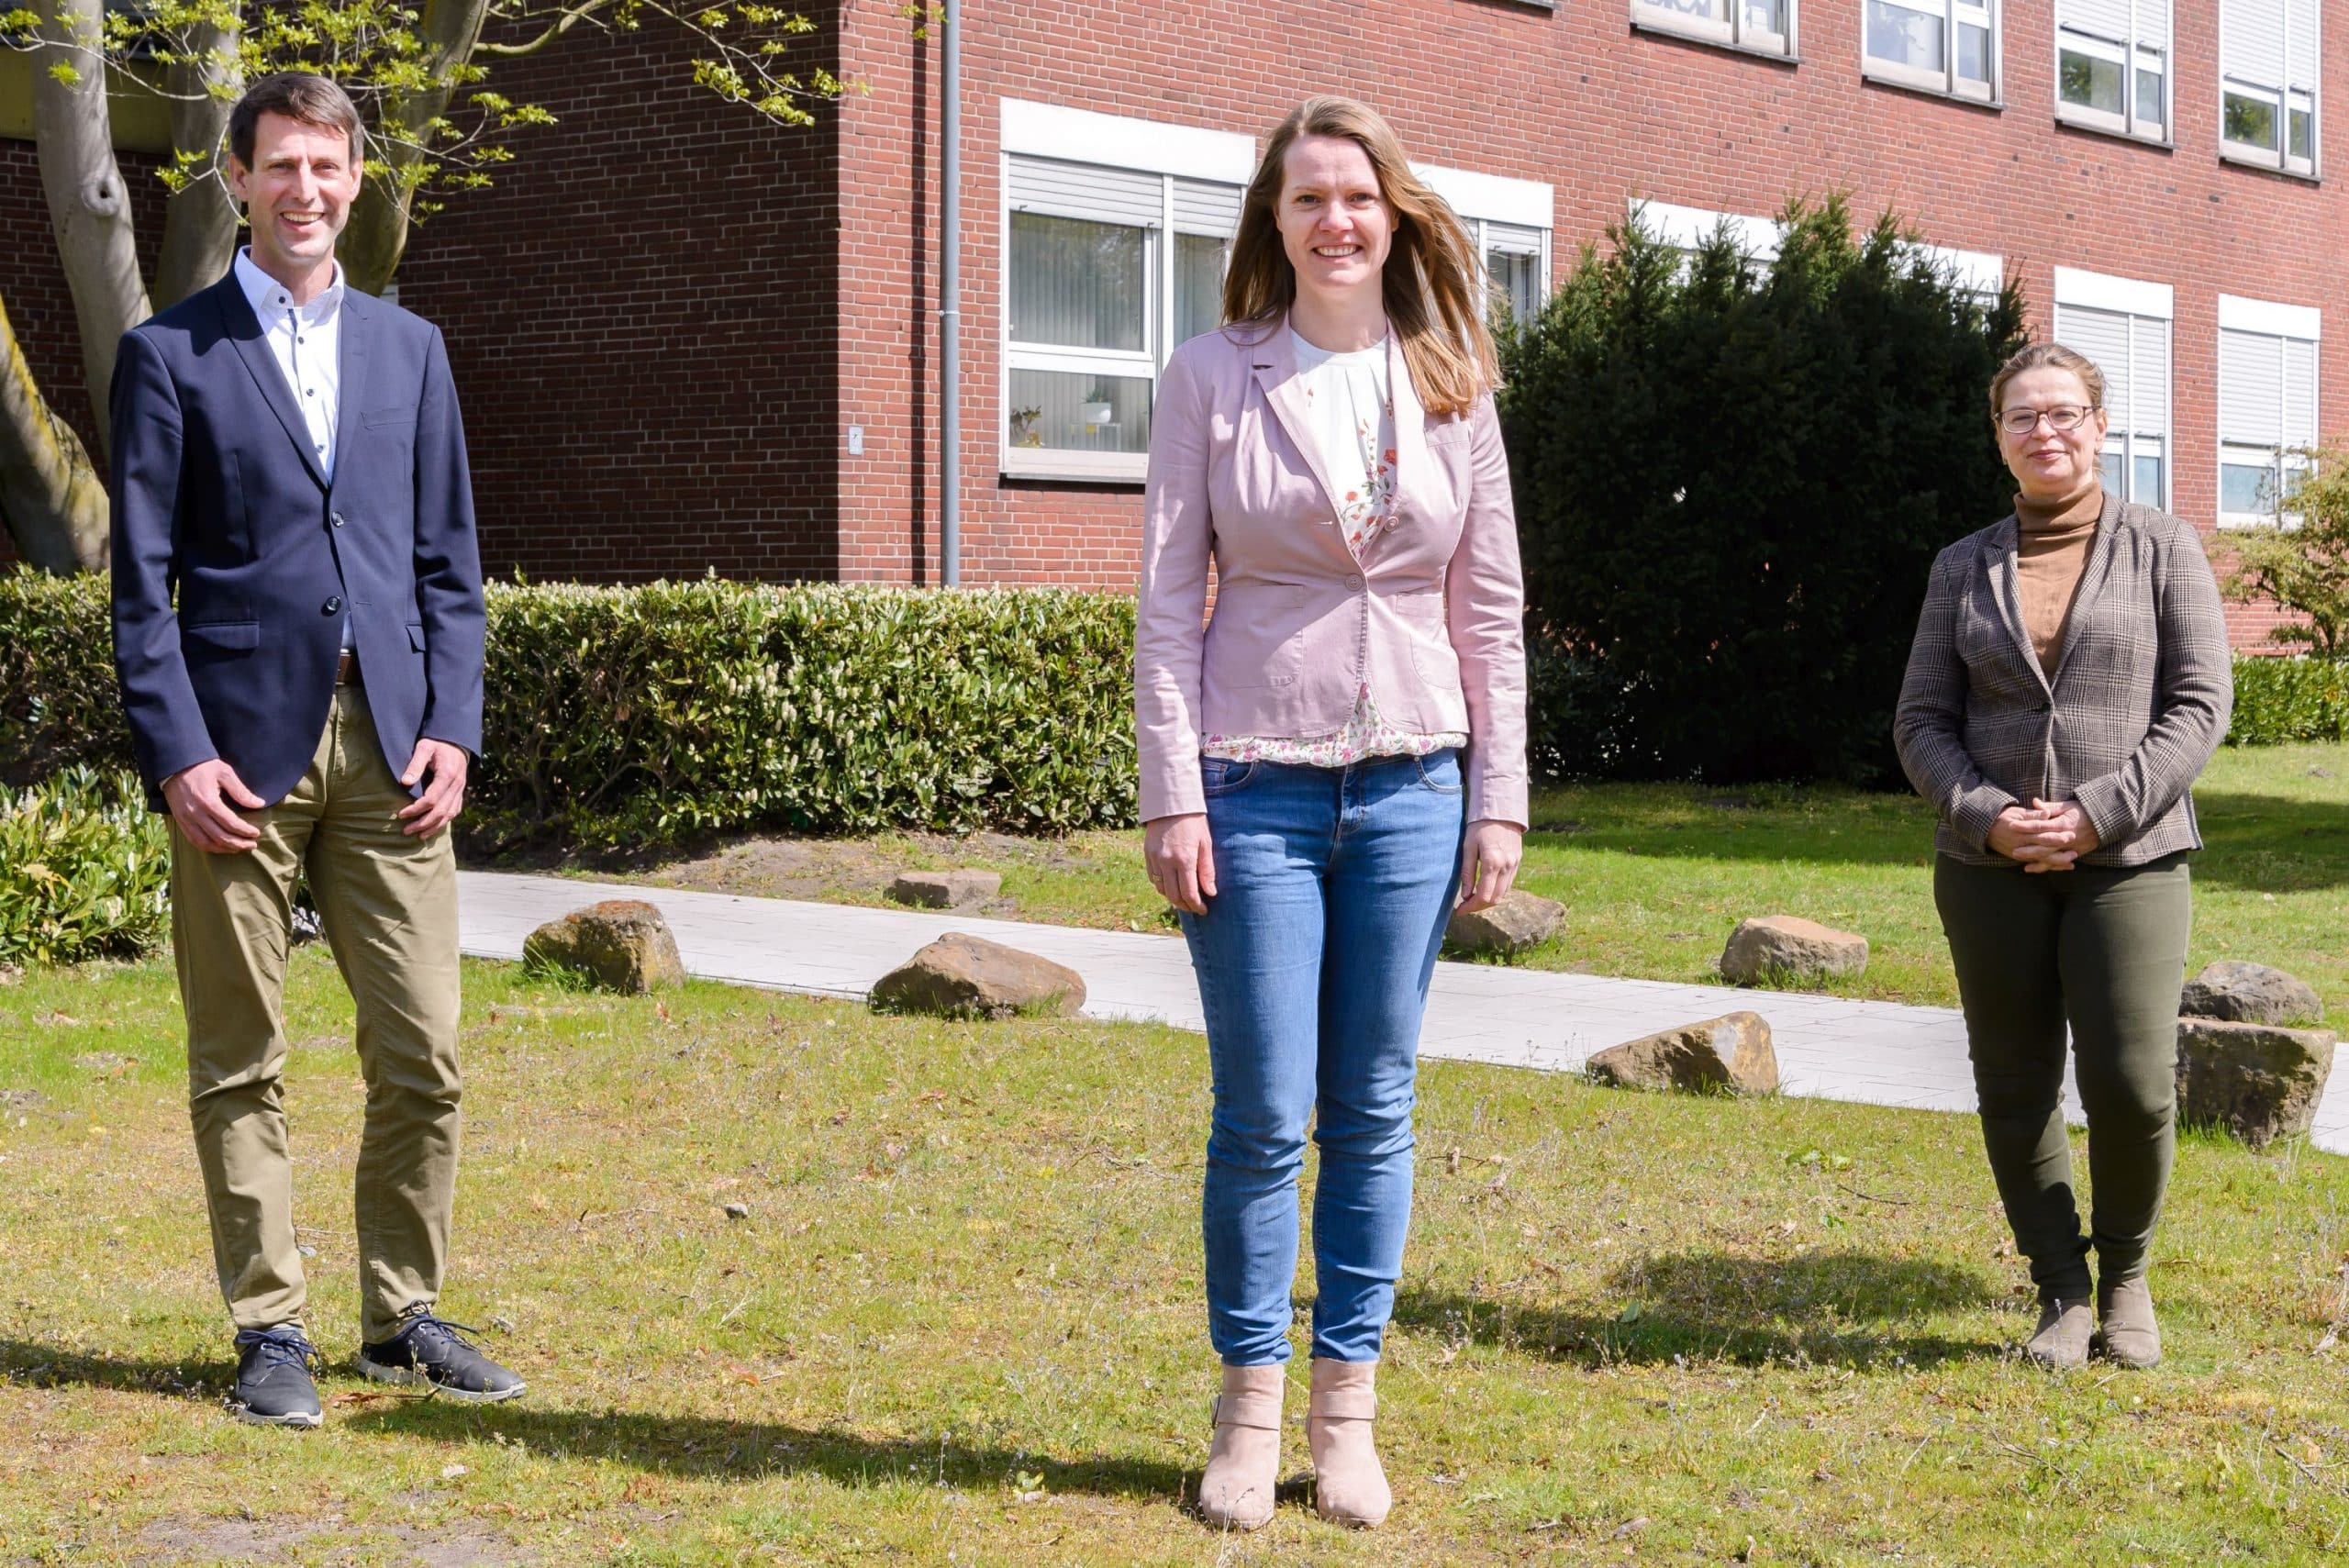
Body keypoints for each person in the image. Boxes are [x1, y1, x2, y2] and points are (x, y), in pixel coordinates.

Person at [1133, 95, 1528, 1529]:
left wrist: (1503, 804)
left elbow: (1492, 608)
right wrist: (1171, 791)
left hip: (1420, 780)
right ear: (1275, 223)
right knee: (1261, 1116)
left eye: (1356, 196)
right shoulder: (1210, 376)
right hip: (1252, 780)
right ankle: (1247, 1409)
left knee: (1371, 1107)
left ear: (1395, 213)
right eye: (1306, 200)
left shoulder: (1455, 381)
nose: (1335, 221)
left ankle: (1346, 1413)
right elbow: (1171, 601)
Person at [110, 72, 521, 1427]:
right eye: (279, 167)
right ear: (237, 178)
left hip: (397, 754)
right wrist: (178, 757)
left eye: (326, 169)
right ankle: (269, 1329)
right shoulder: (173, 355)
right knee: (243, 1056)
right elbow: (141, 586)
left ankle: (403, 1316)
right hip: (237, 763)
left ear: (357, 181)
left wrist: (453, 723)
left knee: (427, 1051)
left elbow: (450, 567)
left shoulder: (413, 350)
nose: (304, 192)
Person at [1895, 341, 2232, 1372]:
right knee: (2012, 1081)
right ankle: (2061, 1287)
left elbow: (2199, 704)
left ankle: (2126, 1276)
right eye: (2021, 417)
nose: (2044, 431)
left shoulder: (2163, 547)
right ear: (1998, 436)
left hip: (2129, 858)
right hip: (1988, 866)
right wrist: (1987, 813)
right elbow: (1920, 718)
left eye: (2063, 413)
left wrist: (2093, 813)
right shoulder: (1962, 563)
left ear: (2098, 424)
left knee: (2131, 1083)